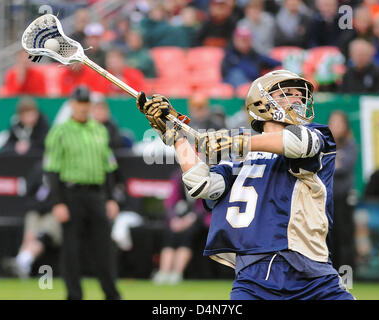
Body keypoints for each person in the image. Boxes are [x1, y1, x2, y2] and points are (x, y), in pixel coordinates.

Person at [136, 69, 354, 300]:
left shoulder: (315, 134)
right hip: (254, 275)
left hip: (312, 272)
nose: (298, 99)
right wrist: (176, 135)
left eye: (299, 95)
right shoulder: (238, 160)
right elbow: (201, 184)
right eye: (287, 93)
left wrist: (237, 141)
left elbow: (296, 144)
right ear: (261, 103)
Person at [43, 85, 121, 300]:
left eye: (86, 103)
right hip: (71, 194)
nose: (83, 107)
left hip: (96, 195)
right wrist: (58, 202)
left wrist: (112, 198)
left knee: (104, 248)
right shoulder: (60, 131)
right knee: (72, 250)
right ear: (71, 104)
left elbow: (109, 168)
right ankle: (74, 295)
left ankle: (112, 294)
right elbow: (51, 170)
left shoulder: (99, 129)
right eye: (79, 103)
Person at [2, 161, 61, 278]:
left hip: (55, 212)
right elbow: (30, 195)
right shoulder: (39, 169)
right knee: (31, 232)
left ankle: (22, 263)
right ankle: (23, 264)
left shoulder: (64, 170)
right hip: (37, 211)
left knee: (42, 235)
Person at [152, 169, 207, 285]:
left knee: (186, 237)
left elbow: (205, 204)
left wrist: (190, 219)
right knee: (170, 236)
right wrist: (174, 219)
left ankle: (177, 273)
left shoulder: (205, 175)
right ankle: (164, 272)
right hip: (179, 218)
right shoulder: (178, 176)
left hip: (196, 219)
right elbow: (171, 201)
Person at [328, 110, 358, 272]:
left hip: (343, 200)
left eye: (340, 123)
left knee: (345, 238)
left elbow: (343, 168)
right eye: (333, 123)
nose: (336, 127)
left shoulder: (351, 145)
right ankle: (329, 276)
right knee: (329, 238)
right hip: (327, 199)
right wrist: (335, 161)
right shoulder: (326, 144)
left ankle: (347, 277)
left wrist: (332, 162)